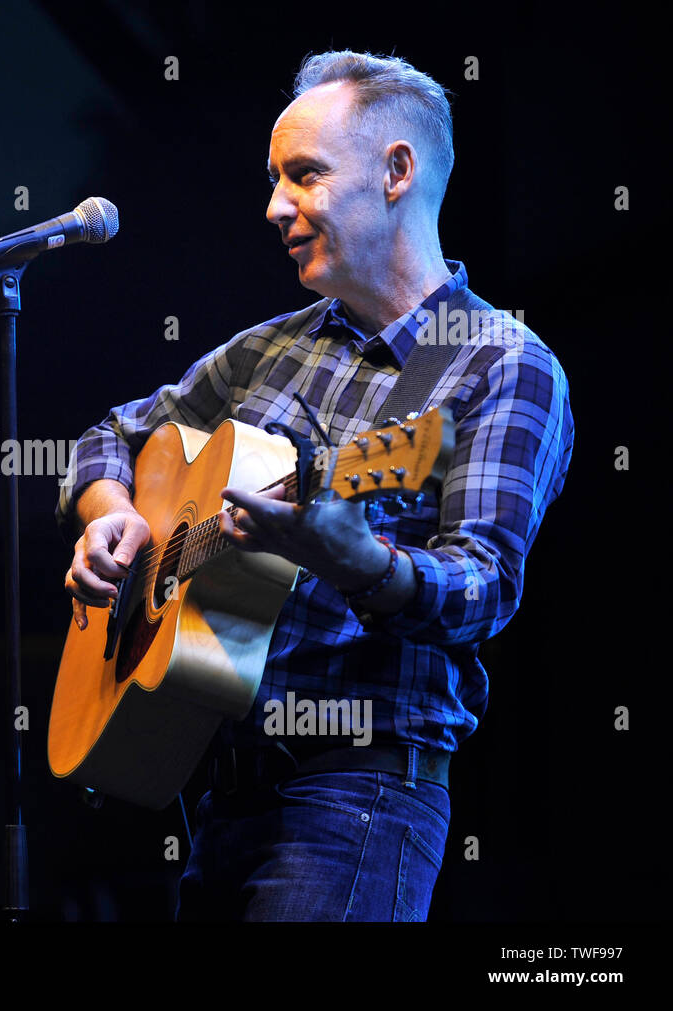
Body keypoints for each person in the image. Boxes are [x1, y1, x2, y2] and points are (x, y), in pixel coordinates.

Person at [55, 50, 574, 921]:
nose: (273, 207)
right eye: (273, 180)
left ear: (396, 171)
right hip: (218, 790)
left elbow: (485, 586)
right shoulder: (269, 348)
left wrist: (364, 563)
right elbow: (111, 434)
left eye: (303, 176)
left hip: (357, 795)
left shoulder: (503, 364)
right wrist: (115, 518)